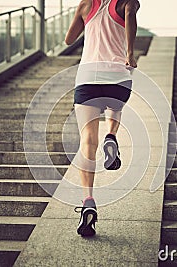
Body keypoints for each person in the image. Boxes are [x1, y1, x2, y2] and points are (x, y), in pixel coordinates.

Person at [65, 0, 140, 237]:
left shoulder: (86, 4)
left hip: (87, 76)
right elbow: (130, 16)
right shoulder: (127, 2)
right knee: (114, 106)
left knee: (87, 142)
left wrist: (85, 18)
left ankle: (88, 200)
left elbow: (68, 39)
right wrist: (129, 53)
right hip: (118, 76)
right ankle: (111, 135)